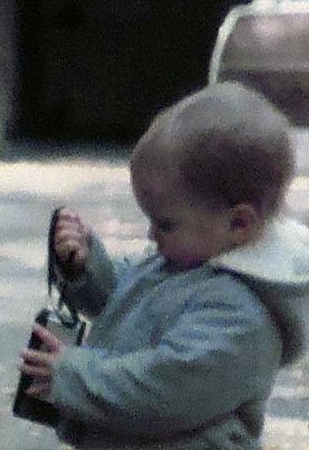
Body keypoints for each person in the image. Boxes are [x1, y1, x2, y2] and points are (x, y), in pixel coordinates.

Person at [19, 81, 309, 449]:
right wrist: (86, 265)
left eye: (165, 224)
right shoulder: (185, 259)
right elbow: (127, 296)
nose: (151, 234)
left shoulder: (242, 316)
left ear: (238, 223)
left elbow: (162, 391)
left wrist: (73, 375)